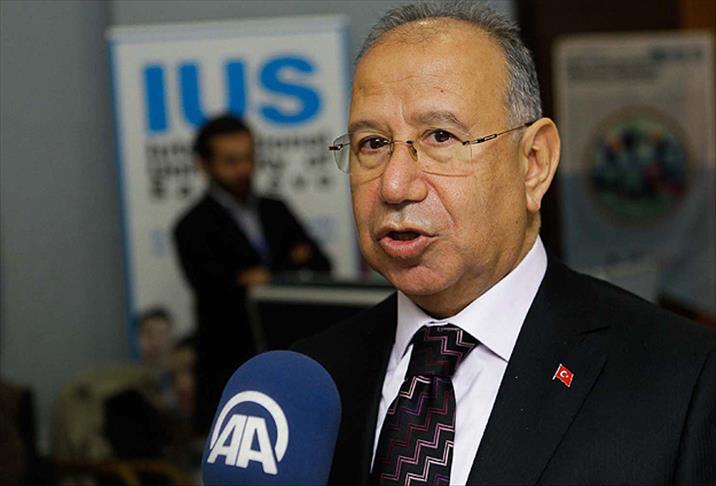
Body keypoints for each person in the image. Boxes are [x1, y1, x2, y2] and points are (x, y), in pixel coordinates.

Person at [293, 2, 716, 485]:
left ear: (534, 162)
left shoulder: (685, 379)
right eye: (372, 143)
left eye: (440, 137)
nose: (394, 185)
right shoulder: (312, 382)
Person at [173, 114, 331, 433]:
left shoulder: (276, 208)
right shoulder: (192, 225)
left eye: (248, 158)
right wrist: (287, 266)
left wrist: (261, 276)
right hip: (228, 364)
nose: (243, 169)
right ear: (204, 164)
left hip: (289, 355)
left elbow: (320, 264)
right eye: (231, 161)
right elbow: (216, 291)